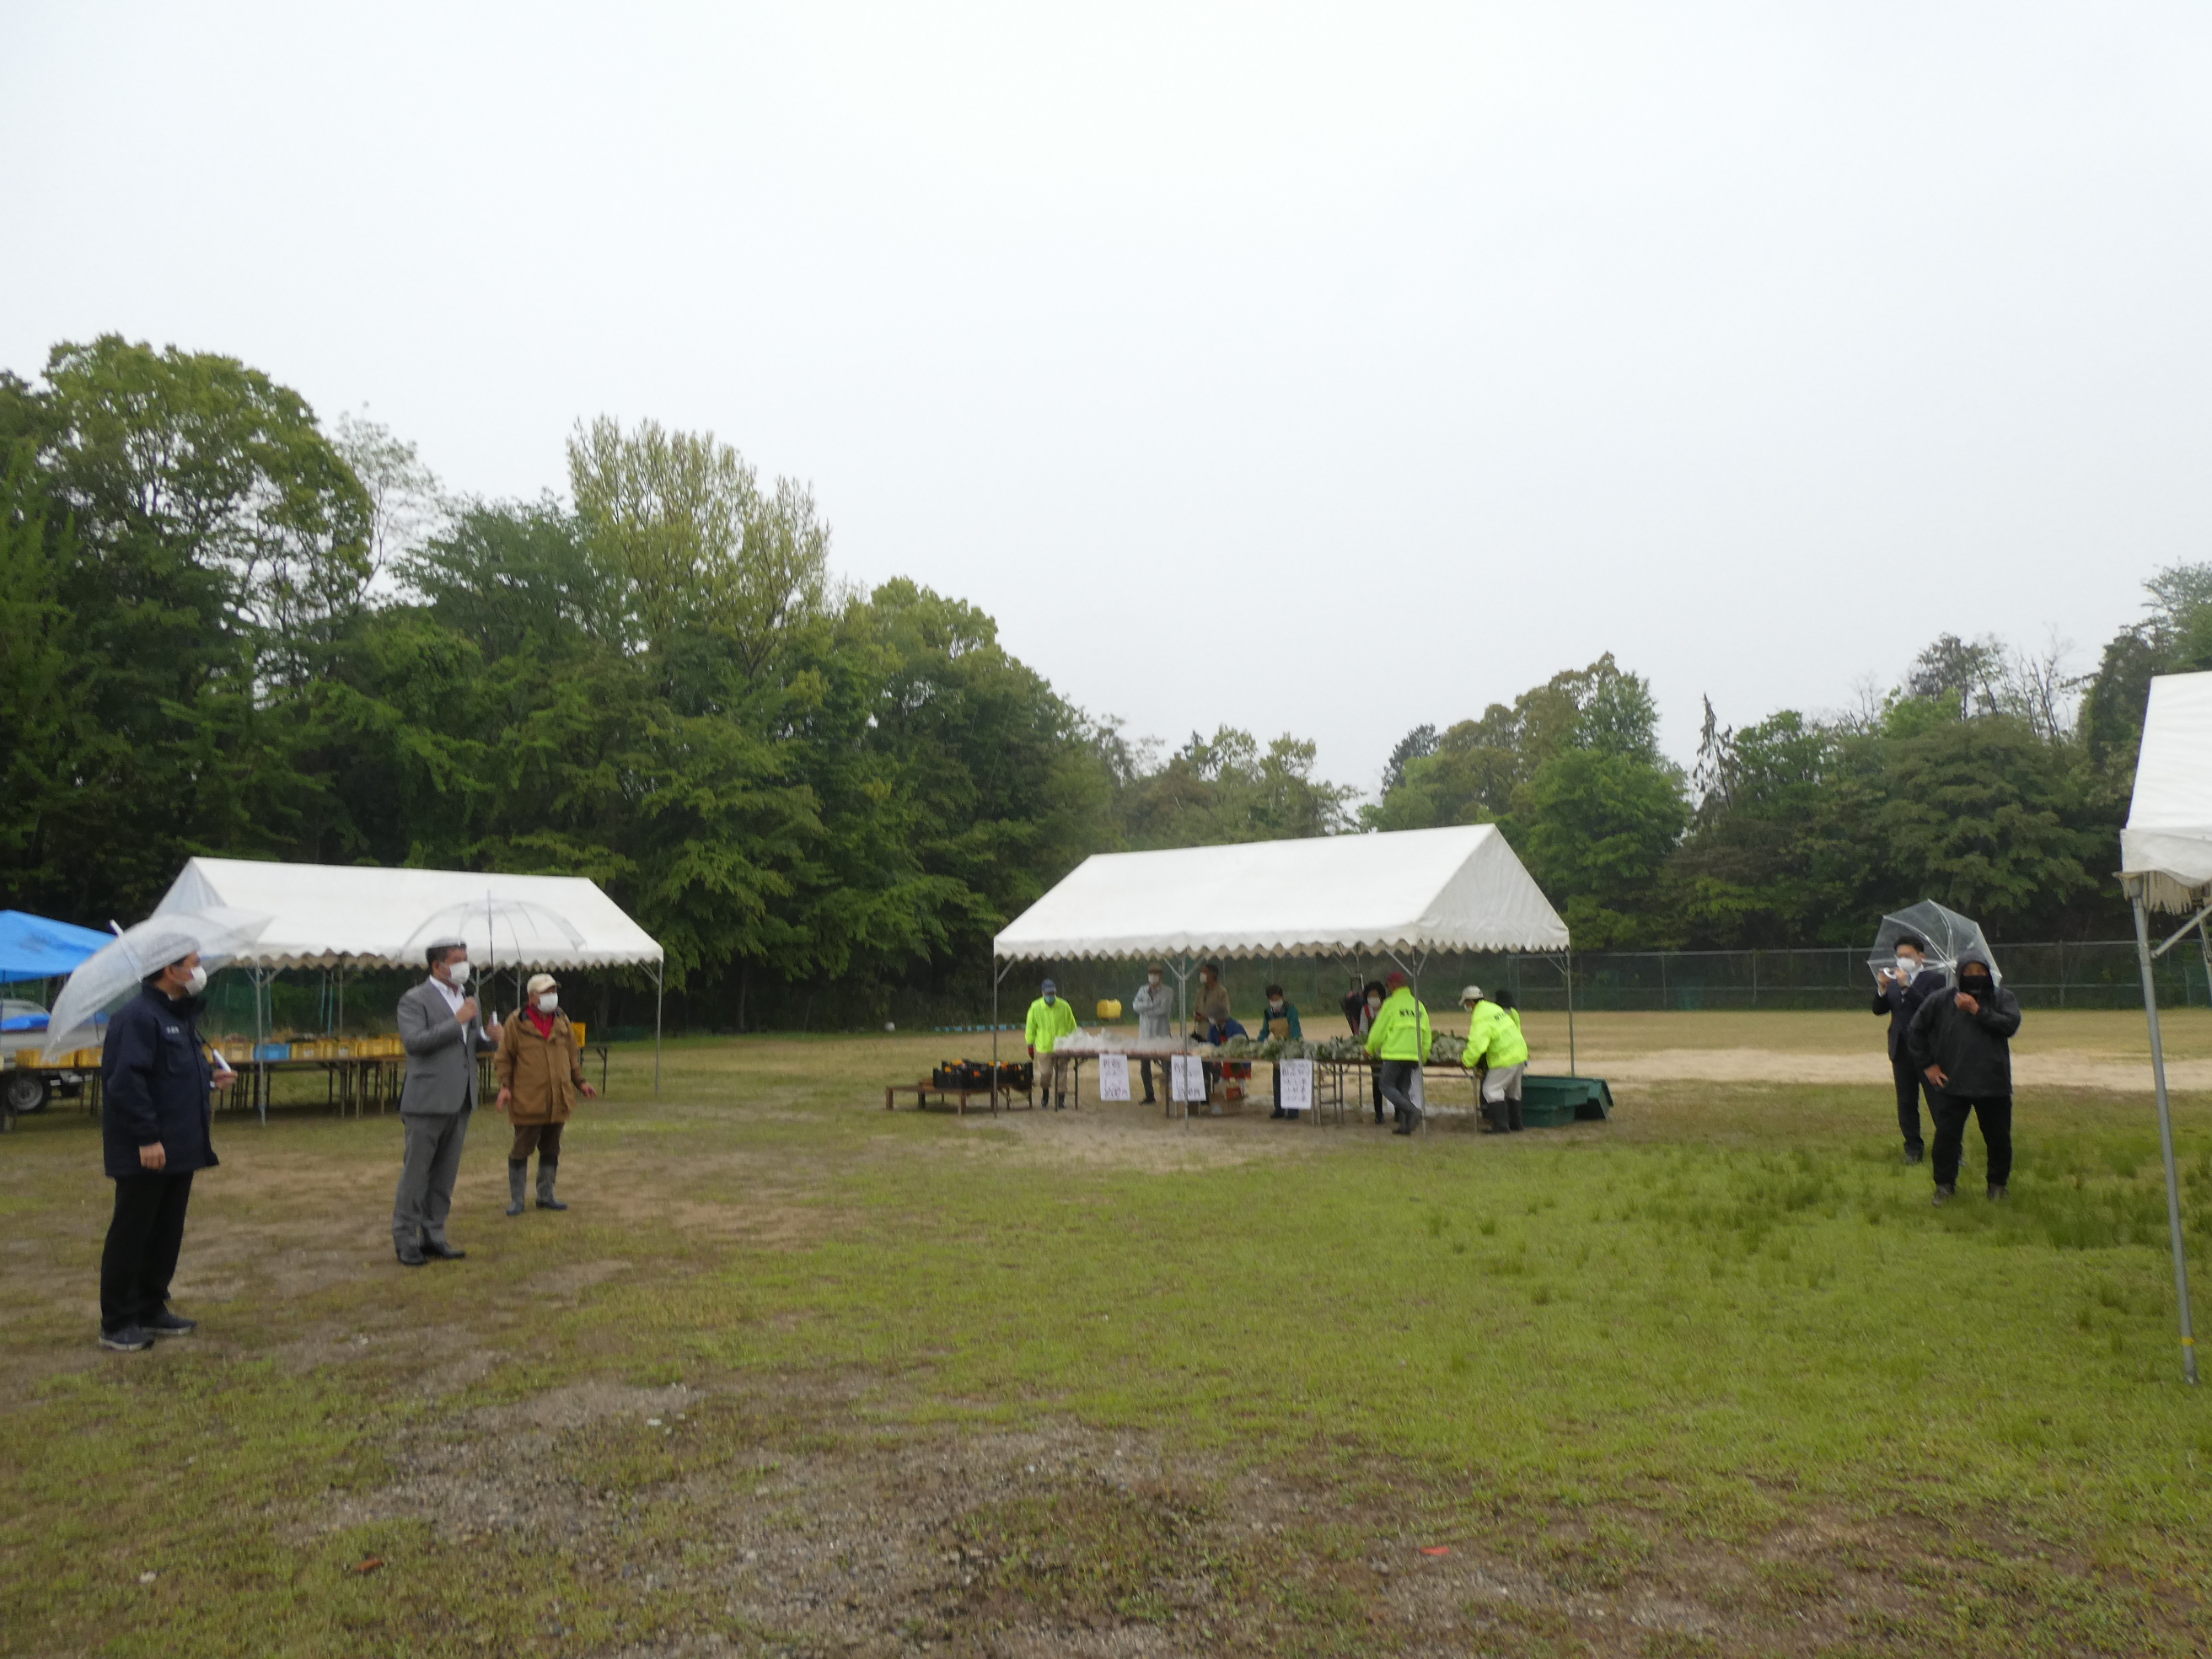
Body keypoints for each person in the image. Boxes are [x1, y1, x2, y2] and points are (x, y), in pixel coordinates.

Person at [97, 949, 237, 1352]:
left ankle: (150, 1305)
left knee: (165, 1231)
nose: (199, 970)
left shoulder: (178, 1017)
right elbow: (126, 1083)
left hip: (180, 1146)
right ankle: (117, 1320)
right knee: (133, 1231)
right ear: (171, 970)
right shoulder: (137, 1018)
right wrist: (146, 1138)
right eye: (192, 963)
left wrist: (211, 1080)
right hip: (149, 1149)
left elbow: (169, 1078)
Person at [392, 939, 502, 1266]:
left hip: (461, 1099)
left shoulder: (467, 999)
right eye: (457, 960)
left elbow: (470, 1046)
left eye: (466, 959)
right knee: (417, 1174)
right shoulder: (414, 1000)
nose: (463, 966)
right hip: (426, 1100)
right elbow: (415, 1043)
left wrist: (490, 1039)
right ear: (437, 965)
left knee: (445, 1175)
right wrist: (457, 1020)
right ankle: (405, 1238)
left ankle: (434, 1233)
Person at [1905, 949, 2021, 1205]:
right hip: (1953, 1082)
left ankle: (1997, 1186)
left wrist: (1977, 1010)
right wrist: (1928, 1065)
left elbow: (2010, 1025)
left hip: (1993, 1082)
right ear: (1959, 974)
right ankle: (1944, 1187)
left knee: (1998, 1138)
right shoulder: (1941, 1000)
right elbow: (1915, 1030)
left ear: (1989, 974)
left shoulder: (2003, 998)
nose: (1975, 976)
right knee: (1947, 1137)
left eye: (1981, 972)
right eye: (1969, 972)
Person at [495, 972, 598, 1216]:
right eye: (546, 992)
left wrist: (581, 1082)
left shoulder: (562, 1019)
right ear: (532, 997)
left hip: (558, 1097)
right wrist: (505, 1087)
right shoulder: (516, 1022)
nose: (552, 996)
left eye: (553, 991)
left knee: (551, 1148)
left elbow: (572, 1055)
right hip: (528, 1098)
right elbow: (504, 1058)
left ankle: (546, 1195)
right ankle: (517, 1200)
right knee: (522, 1149)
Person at [1871, 935, 1946, 1164]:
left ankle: (1950, 1147)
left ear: (1920, 956)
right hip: (1901, 1049)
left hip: (1928, 1051)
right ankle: (1913, 1148)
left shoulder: (1935, 979)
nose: (1902, 960)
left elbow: (1929, 1008)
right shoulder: (1894, 980)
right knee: (1906, 1101)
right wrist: (1883, 988)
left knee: (1938, 1102)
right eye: (1899, 956)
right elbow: (1879, 1009)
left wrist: (1907, 986)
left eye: (1907, 956)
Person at [1365, 970, 1433, 1136]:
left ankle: (1413, 1111)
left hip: (1395, 1053)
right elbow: (1426, 1033)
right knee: (1403, 1090)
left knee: (1385, 1085)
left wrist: (1369, 1049)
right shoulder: (1418, 1005)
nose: (1388, 989)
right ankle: (1405, 1127)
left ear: (1394, 985)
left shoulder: (1390, 1004)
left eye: (1389, 986)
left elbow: (1378, 1030)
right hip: (1413, 1055)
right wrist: (1423, 1055)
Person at [1462, 985, 1528, 1133]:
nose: (1466, 1007)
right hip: (1519, 1052)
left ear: (1471, 1002)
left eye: (1466, 1004)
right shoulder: (1494, 1008)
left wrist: (1466, 1060)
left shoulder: (1480, 1016)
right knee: (1513, 1091)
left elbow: (1477, 1043)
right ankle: (1516, 1124)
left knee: (1491, 1089)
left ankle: (1501, 1126)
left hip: (1504, 1055)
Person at [1025, 977, 1078, 1109]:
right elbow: (1030, 1027)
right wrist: (1030, 1044)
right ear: (1043, 993)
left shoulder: (1064, 1006)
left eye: (1053, 993)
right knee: (1045, 1074)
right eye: (1048, 994)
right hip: (1044, 1047)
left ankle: (1061, 1099)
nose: (1051, 996)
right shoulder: (1035, 1007)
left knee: (1062, 1073)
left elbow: (1072, 1025)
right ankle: (1045, 1093)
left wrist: (1074, 1041)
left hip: (1062, 1047)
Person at [1130, 964, 1173, 1105]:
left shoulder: (1168, 991)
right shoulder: (1142, 989)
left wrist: (1146, 1008)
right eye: (1151, 973)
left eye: (1156, 973)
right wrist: (1152, 1006)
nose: (1153, 976)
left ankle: (1170, 1093)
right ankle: (1149, 1095)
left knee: (1167, 1065)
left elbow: (1163, 1010)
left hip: (1161, 1034)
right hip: (1145, 1034)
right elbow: (1136, 1006)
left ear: (1161, 976)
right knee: (1145, 1067)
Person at [1259, 983, 1303, 1119]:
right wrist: (1257, 1044)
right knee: (1278, 1080)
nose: (1275, 1002)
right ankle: (1279, 1109)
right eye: (1272, 1000)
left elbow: (1295, 1028)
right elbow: (1264, 1032)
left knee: (1292, 1080)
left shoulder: (1291, 1010)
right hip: (1278, 1048)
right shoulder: (1267, 1013)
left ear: (1282, 997)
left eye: (1277, 999)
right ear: (1268, 1000)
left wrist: (1293, 1046)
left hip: (1292, 1046)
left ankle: (1293, 1111)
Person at [1191, 960, 1232, 1105]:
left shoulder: (1222, 992)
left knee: (1215, 1065)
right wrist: (1196, 1015)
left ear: (1212, 975)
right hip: (1200, 1032)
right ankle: (1204, 1095)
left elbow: (1225, 1012)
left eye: (1205, 972)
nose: (1202, 975)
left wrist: (1207, 1018)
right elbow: (1195, 1008)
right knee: (1202, 1065)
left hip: (1214, 1033)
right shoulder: (1201, 992)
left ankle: (1217, 1094)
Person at [1349, 977, 1387, 1122]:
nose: (1373, 999)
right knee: (1377, 1080)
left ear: (1382, 996)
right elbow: (1363, 1031)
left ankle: (1397, 1112)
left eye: (1375, 996)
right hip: (1373, 1051)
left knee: (1392, 1082)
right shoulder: (1365, 1011)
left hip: (1389, 1049)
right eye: (1370, 996)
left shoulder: (1387, 1008)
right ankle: (1379, 1114)